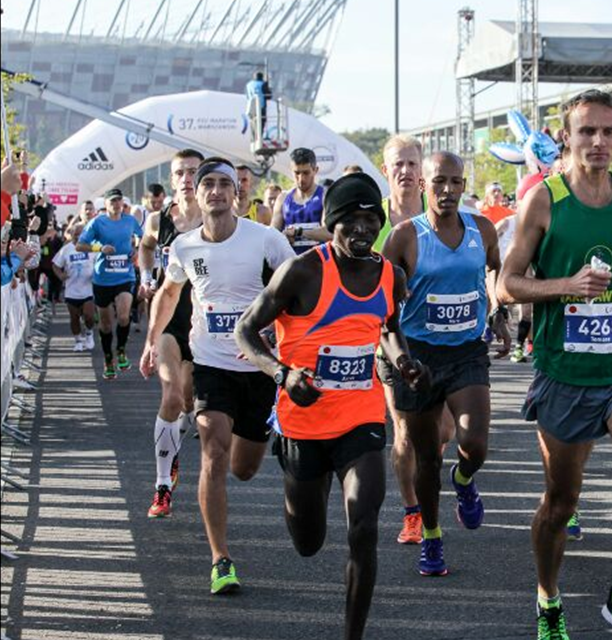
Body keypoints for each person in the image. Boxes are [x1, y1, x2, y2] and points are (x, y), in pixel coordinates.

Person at [498, 89, 612, 640]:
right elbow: (507, 285)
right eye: (587, 132)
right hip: (565, 372)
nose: (598, 142)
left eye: (608, 131)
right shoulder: (544, 200)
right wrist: (566, 286)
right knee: (560, 504)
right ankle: (549, 599)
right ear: (567, 137)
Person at [236, 172, 429, 640]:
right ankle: (315, 479)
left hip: (360, 419)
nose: (363, 229)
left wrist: (404, 362)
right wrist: (282, 373)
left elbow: (387, 328)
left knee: (363, 527)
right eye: (351, 221)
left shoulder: (390, 275)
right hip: (302, 424)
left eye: (371, 220)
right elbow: (245, 330)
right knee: (308, 542)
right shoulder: (302, 272)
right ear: (331, 223)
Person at [140, 157, 295, 593]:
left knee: (244, 468)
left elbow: (297, 288)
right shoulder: (185, 246)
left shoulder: (266, 240)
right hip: (210, 363)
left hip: (259, 366)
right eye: (207, 183)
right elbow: (170, 292)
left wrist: (280, 335)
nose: (215, 191)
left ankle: (269, 432)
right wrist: (151, 340)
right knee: (213, 451)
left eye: (224, 184)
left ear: (236, 192)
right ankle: (220, 559)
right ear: (197, 190)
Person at [381, 150, 509, 577]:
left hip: (466, 351)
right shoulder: (404, 237)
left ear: (463, 186)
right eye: (439, 182)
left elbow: (494, 271)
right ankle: (432, 537)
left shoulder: (482, 228)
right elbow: (384, 309)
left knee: (475, 444)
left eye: (456, 182)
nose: (448, 190)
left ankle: (465, 479)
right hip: (419, 356)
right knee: (427, 458)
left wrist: (498, 312)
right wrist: (398, 359)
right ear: (424, 185)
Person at [373, 134, 451, 545]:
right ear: (385, 170)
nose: (405, 171)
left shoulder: (441, 213)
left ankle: (431, 475)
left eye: (412, 164)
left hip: (446, 340)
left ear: (423, 171)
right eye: (397, 164)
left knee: (444, 432)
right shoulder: (374, 221)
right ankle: (413, 512)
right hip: (394, 340)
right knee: (404, 430)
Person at [138, 148, 205, 518]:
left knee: (189, 400)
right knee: (172, 394)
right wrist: (147, 277)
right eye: (180, 172)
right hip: (169, 321)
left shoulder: (218, 219)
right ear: (172, 177)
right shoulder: (158, 219)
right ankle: (162, 485)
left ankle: (174, 444)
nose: (186, 179)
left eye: (193, 171)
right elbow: (146, 247)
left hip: (204, 322)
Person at [76, 188, 144, 379]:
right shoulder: (97, 222)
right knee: (106, 325)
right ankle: (108, 359)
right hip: (103, 278)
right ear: (105, 204)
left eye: (119, 200)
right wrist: (99, 248)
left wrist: (137, 249)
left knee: (123, 316)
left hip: (125, 276)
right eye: (112, 201)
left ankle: (121, 350)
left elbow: (141, 236)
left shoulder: (130, 220)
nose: (116, 204)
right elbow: (79, 245)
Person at [272, 148, 331, 254]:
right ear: (291, 170)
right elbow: (273, 235)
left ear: (315, 170)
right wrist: (284, 237)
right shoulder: (283, 198)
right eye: (297, 173)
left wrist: (299, 232)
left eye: (306, 173)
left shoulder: (325, 196)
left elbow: (329, 233)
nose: (301, 179)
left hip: (319, 260)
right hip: (291, 259)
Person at [51, 224, 95, 351]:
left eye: (81, 234)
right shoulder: (66, 249)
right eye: (76, 234)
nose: (78, 237)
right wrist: (61, 275)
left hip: (88, 290)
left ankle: (89, 333)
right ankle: (78, 341)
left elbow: (99, 263)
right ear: (71, 235)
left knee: (88, 315)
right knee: (74, 317)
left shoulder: (91, 248)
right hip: (71, 291)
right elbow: (55, 265)